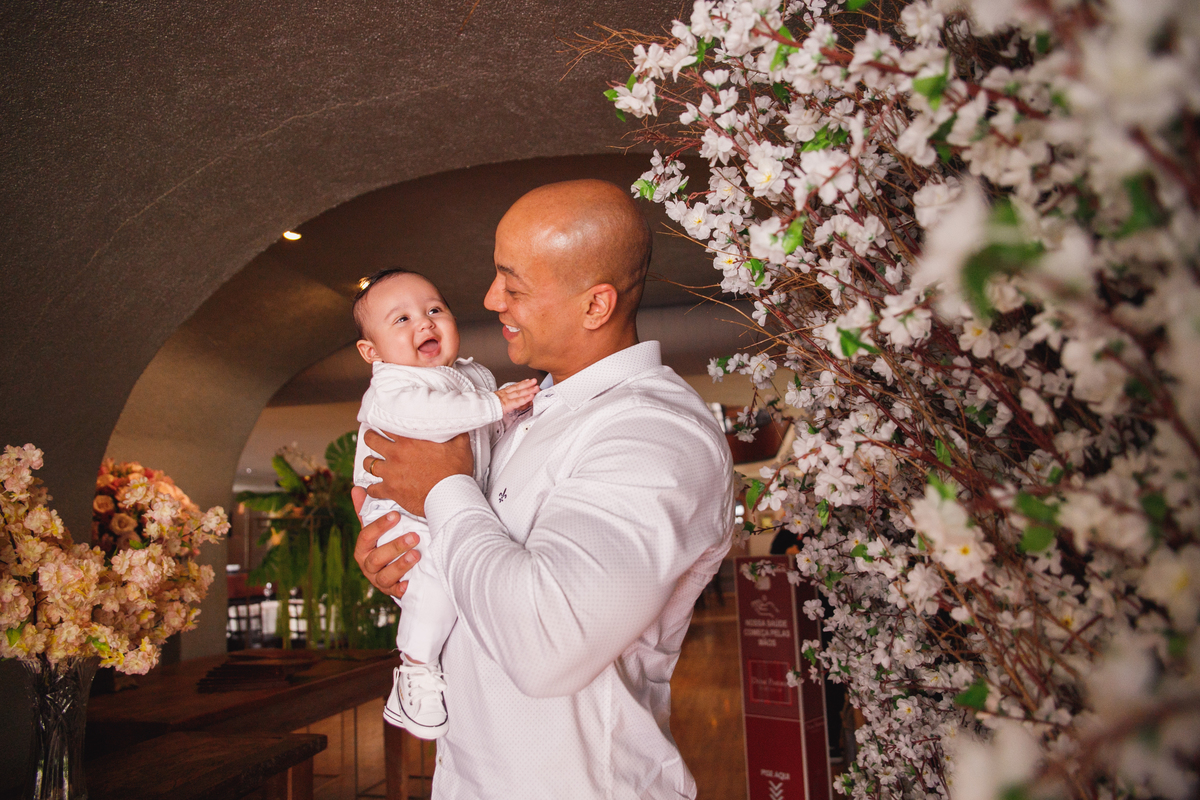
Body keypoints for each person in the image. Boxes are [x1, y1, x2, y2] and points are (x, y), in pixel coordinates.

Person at [353, 179, 734, 799]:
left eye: (513, 283)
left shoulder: (656, 433)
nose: (489, 298)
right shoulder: (525, 416)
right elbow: (481, 583)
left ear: (595, 306)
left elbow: (546, 646)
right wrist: (404, 563)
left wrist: (443, 489)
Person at [351, 268, 539, 738]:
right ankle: (414, 666)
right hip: (398, 512)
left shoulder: (468, 376)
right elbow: (428, 420)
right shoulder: (393, 388)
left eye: (435, 309)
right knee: (435, 581)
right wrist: (496, 405)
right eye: (402, 319)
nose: (425, 323)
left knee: (447, 579)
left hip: (443, 504)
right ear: (371, 352)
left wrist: (503, 412)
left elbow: (485, 441)